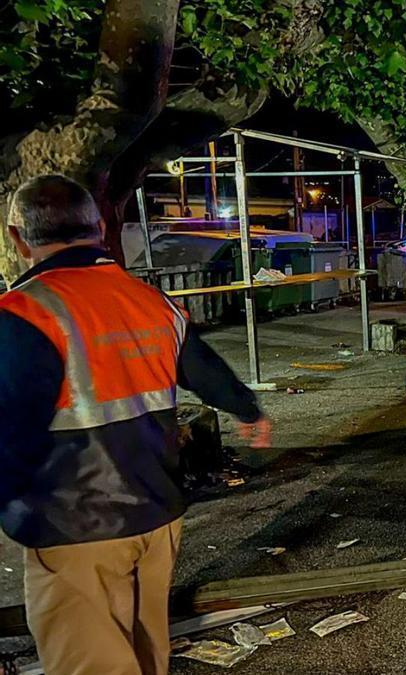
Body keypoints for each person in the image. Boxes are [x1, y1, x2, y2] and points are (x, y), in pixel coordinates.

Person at [0, 175, 270, 675]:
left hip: (74, 525)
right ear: (100, 227)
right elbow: (205, 372)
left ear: (17, 238)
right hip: (157, 513)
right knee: (148, 656)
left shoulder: (24, 313)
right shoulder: (152, 301)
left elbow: (12, 431)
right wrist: (249, 411)